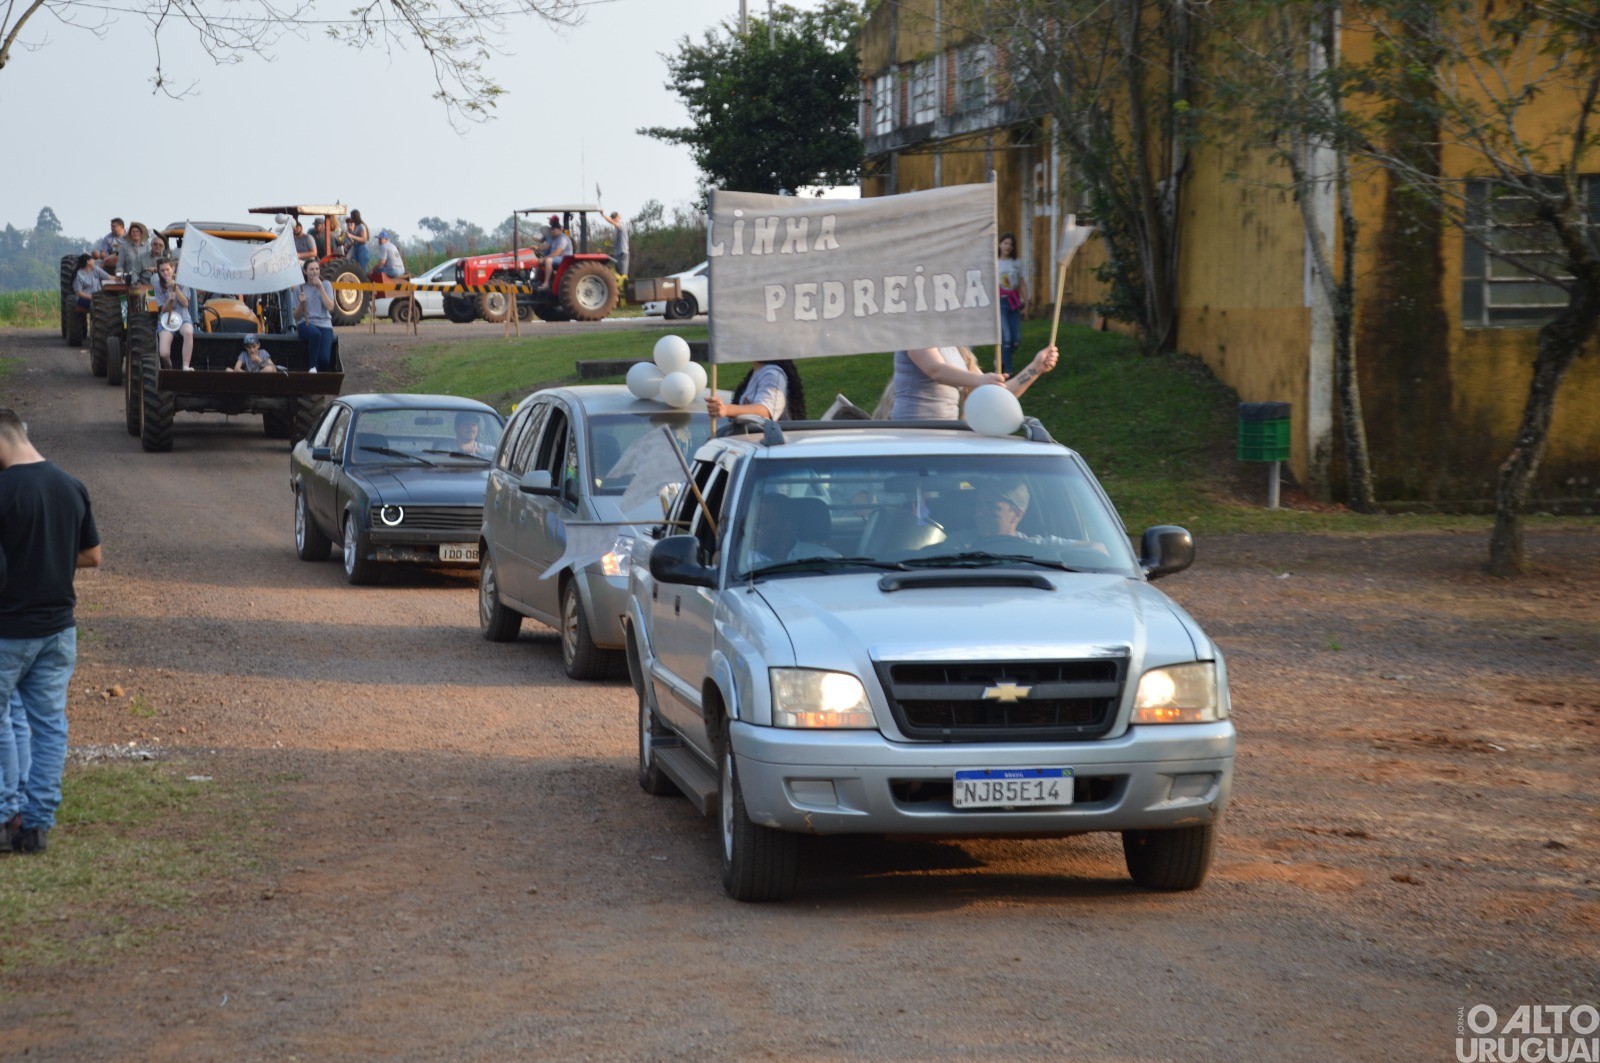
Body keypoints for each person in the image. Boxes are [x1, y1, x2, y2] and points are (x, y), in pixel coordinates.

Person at [0, 409, 102, 855]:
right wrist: (50, 558)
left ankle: (5, 817)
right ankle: (36, 825)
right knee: (45, 726)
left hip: (9, 630)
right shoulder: (71, 486)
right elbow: (92, 556)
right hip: (59, 631)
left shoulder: (2, 491)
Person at [888, 343, 1059, 420]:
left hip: (945, 433)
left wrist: (1035, 368)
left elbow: (998, 394)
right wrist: (980, 380)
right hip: (911, 433)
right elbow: (935, 369)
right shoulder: (915, 332)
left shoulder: (958, 350)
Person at [745, 494, 838, 569]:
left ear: (787, 527)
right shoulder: (740, 564)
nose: (751, 531)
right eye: (749, 525)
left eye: (759, 524)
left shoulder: (826, 560)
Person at [706, 361, 807, 422]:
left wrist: (727, 410)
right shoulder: (758, 372)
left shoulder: (772, 374)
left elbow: (765, 411)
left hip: (768, 452)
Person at [151, 258, 196, 371]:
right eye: (162, 271)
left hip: (183, 317)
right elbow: (162, 310)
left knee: (188, 332)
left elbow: (185, 303)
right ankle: (169, 368)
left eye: (167, 269)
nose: (165, 273)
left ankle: (185, 365)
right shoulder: (157, 285)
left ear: (173, 269)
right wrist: (169, 301)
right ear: (159, 272)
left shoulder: (183, 282)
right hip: (167, 320)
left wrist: (175, 288)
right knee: (164, 353)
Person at [294, 260, 336, 373]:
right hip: (306, 323)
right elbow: (296, 316)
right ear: (305, 271)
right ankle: (312, 367)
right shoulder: (300, 288)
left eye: (317, 269)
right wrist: (301, 304)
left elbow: (330, 307)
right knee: (315, 334)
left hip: (325, 324)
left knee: (324, 360)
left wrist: (320, 288)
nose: (315, 272)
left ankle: (319, 379)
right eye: (311, 269)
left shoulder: (326, 284)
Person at [997, 232, 1027, 374]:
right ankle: (1008, 371)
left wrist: (1026, 304)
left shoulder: (1016, 263)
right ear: (1000, 244)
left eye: (1011, 244)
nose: (1008, 246)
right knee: (1007, 337)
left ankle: (1002, 359)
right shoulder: (995, 263)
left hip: (1014, 303)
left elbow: (1022, 283)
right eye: (1005, 243)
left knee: (1016, 340)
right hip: (1000, 303)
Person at [117, 222, 157, 286]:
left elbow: (153, 259)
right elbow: (120, 264)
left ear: (141, 233)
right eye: (133, 232)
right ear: (130, 234)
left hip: (146, 277)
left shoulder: (148, 246)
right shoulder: (124, 247)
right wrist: (119, 273)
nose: (135, 233)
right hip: (130, 277)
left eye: (137, 231)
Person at [539, 218, 572, 286]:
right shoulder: (553, 238)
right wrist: (536, 249)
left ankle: (546, 283)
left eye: (554, 230)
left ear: (560, 229)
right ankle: (536, 279)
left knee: (548, 260)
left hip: (565, 259)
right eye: (551, 230)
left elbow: (557, 252)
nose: (552, 232)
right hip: (557, 258)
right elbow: (547, 246)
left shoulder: (563, 238)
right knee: (536, 260)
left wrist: (544, 259)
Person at [607, 211, 630, 276]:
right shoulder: (616, 229)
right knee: (618, 275)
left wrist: (603, 215)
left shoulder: (621, 225)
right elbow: (617, 244)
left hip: (623, 253)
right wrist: (610, 245)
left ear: (618, 217)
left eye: (614, 217)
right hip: (618, 254)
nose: (613, 219)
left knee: (623, 276)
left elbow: (611, 222)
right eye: (612, 217)